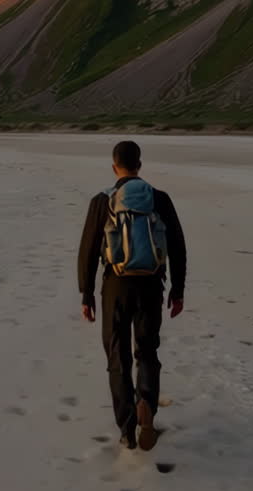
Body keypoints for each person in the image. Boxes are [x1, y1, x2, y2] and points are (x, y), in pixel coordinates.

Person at [78, 140, 186, 450]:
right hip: (152, 285)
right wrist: (177, 291)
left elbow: (87, 251)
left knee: (117, 357)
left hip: (115, 285)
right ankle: (147, 409)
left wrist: (87, 295)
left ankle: (126, 430)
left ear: (115, 167)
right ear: (140, 164)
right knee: (147, 352)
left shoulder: (103, 201)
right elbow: (177, 247)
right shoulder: (159, 199)